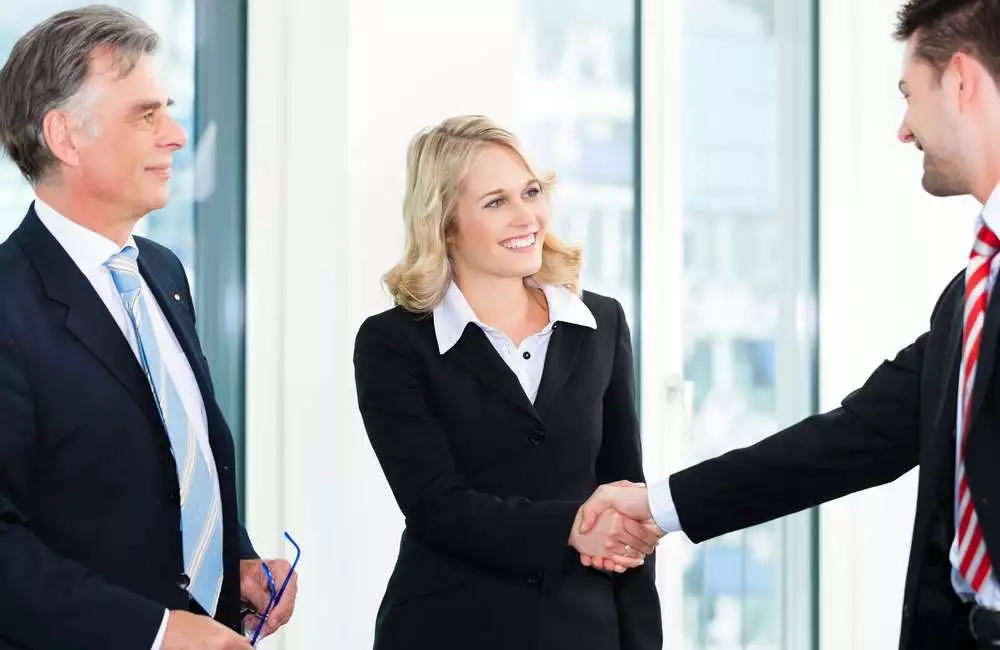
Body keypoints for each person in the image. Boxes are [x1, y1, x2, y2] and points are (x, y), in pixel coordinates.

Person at [577, 0, 1000, 648]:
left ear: (963, 81)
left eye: (909, 94)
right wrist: (659, 507)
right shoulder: (971, 295)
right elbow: (855, 439)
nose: (904, 129)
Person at [0, 6, 296, 649]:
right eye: (146, 114)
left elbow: (174, 455)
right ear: (65, 136)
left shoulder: (162, 272)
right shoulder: (7, 303)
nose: (176, 135)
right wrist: (158, 633)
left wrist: (234, 561)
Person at [353, 115, 663, 650]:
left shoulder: (601, 324)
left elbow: (625, 501)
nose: (528, 217)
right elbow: (434, 504)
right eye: (496, 202)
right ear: (445, 222)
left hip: (585, 633)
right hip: (448, 628)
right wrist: (568, 526)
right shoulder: (394, 342)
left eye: (531, 192)